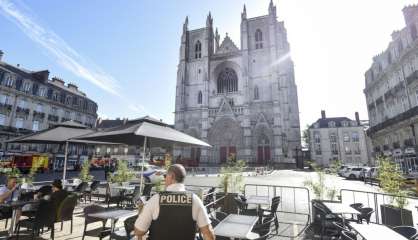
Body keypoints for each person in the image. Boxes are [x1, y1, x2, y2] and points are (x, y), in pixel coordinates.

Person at [134, 164, 215, 240]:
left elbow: (139, 231)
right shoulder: (195, 200)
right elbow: (208, 234)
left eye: (165, 176)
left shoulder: (156, 199)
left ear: (171, 176)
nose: (164, 179)